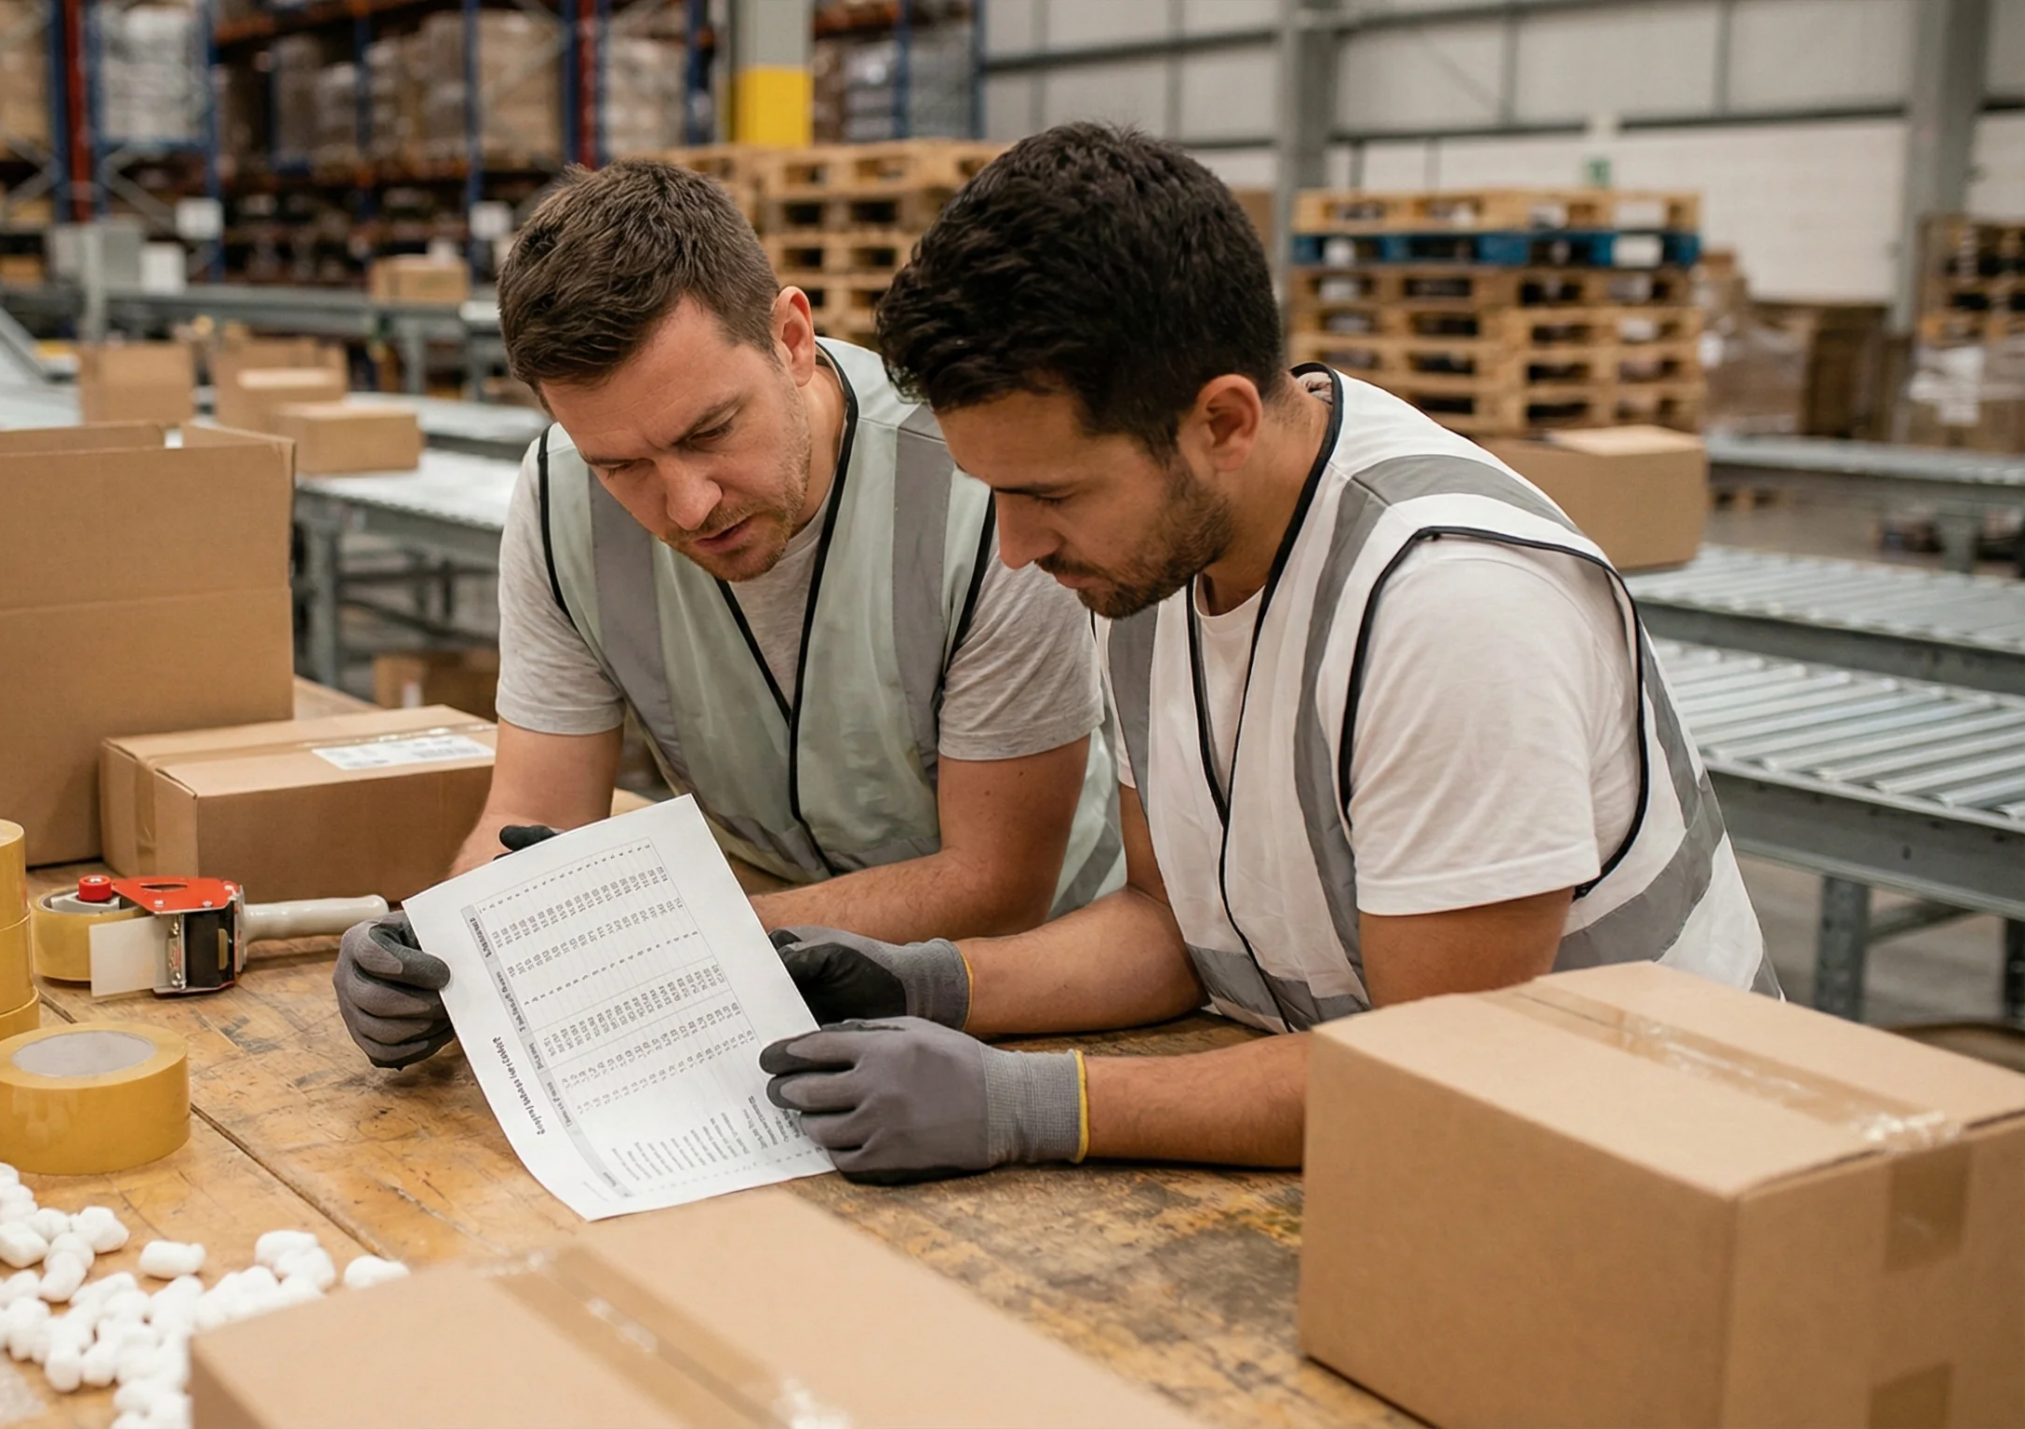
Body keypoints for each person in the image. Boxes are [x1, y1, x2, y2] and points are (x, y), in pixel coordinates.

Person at [756, 124, 1773, 1180]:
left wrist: (1029, 1103)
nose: (1015, 550)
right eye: (997, 495)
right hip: (1460, 1163)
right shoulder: (1151, 548)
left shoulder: (1449, 608)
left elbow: (1426, 1078)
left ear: (1222, 422)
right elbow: (1171, 925)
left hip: (1669, 1180)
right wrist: (929, 983)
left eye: (1048, 495)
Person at [334, 159, 1125, 1070]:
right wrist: (451, 940)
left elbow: (995, 883)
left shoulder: (975, 487)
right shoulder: (560, 503)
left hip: (1035, 1002)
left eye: (708, 432)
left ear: (791, 337)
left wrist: (669, 941)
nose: (688, 505)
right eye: (621, 465)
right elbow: (537, 814)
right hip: (757, 992)